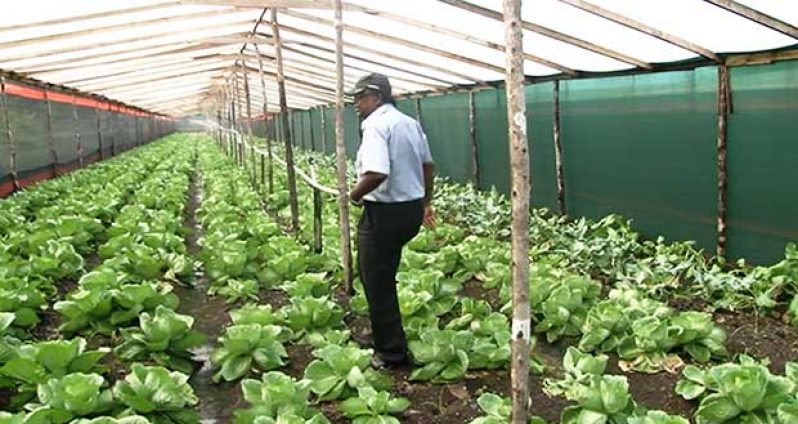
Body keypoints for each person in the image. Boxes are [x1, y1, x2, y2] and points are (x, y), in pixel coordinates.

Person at [347, 73, 436, 369]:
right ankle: (384, 333)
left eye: (360, 98)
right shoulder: (409, 123)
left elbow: (376, 173)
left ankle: (391, 352)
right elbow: (428, 165)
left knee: (376, 280)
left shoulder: (375, 125)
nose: (357, 105)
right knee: (383, 274)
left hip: (384, 213)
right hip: (409, 210)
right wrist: (425, 202)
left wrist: (354, 195)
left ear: (376, 97)